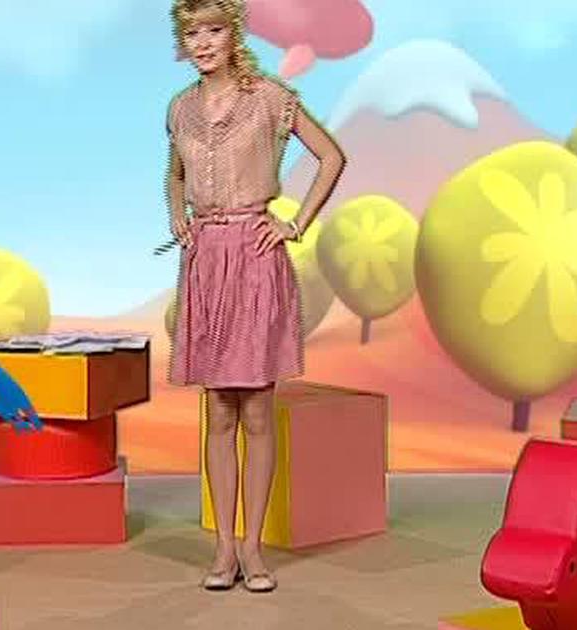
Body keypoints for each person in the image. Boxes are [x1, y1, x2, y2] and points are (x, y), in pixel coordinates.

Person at [164, 0, 346, 593]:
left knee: (258, 408)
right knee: (218, 407)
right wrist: (177, 215)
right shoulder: (180, 108)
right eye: (192, 32)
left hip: (255, 255)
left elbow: (331, 157)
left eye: (213, 29)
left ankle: (253, 547)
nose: (202, 42)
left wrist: (296, 224)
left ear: (234, 33)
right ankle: (223, 550)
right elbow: (175, 174)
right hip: (206, 260)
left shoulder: (269, 98)